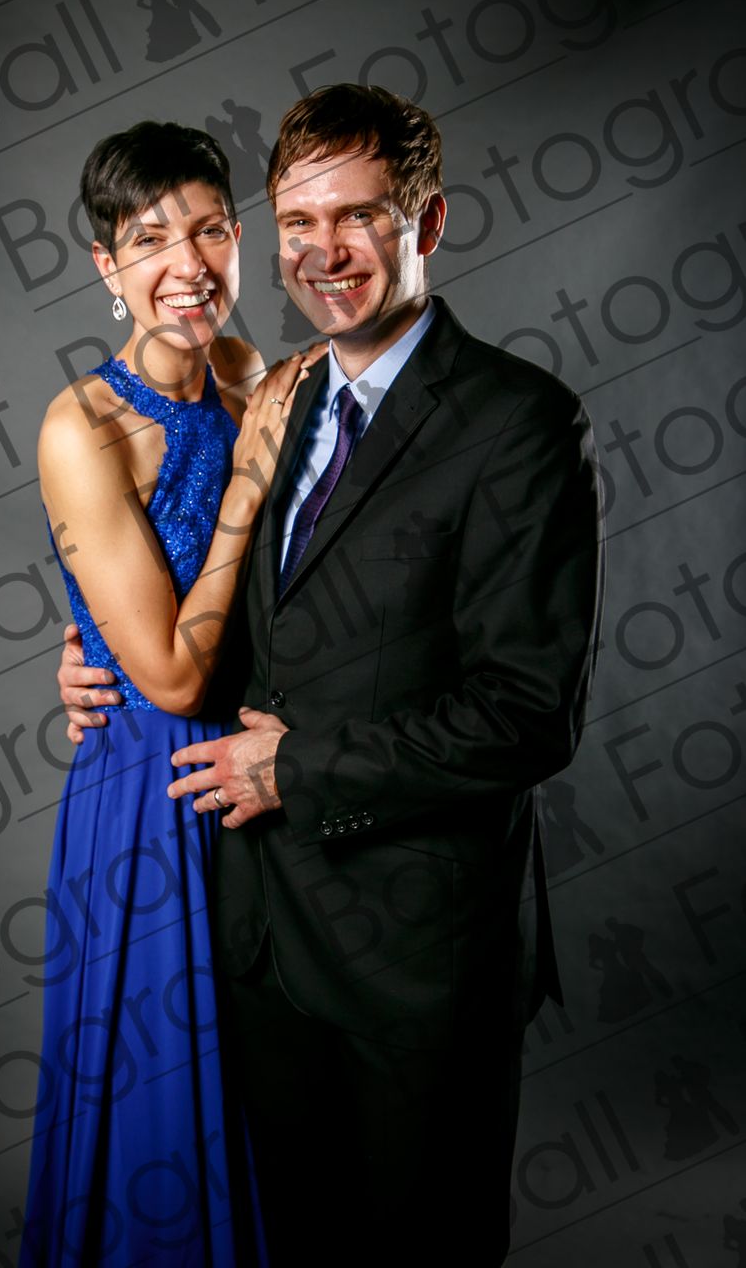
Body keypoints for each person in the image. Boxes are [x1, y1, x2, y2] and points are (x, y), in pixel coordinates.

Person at [57, 85, 605, 1265]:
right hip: (256, 933)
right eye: (299, 221)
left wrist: (295, 767)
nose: (325, 251)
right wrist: (94, 649)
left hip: (417, 956)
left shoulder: (520, 422)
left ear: (428, 221)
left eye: (358, 216)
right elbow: (224, 606)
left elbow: (527, 712)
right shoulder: (276, 392)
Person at [20, 120, 315, 1265]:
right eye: (149, 239)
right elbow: (176, 674)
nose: (186, 264)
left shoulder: (249, 372)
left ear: (237, 237)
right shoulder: (83, 426)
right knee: (166, 1099)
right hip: (152, 790)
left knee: (267, 1095)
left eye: (207, 230)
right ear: (107, 264)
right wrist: (246, 481)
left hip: (260, 776)